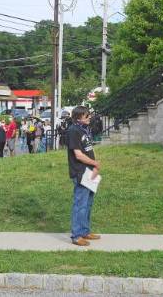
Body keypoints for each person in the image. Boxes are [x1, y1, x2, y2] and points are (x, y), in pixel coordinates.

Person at [67, 106, 101, 247]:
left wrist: (94, 167)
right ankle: (76, 236)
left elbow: (88, 150)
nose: (89, 118)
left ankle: (85, 231)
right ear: (78, 118)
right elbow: (78, 155)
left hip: (89, 171)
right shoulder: (73, 131)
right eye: (86, 116)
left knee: (88, 203)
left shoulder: (84, 130)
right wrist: (96, 163)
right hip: (80, 172)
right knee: (80, 204)